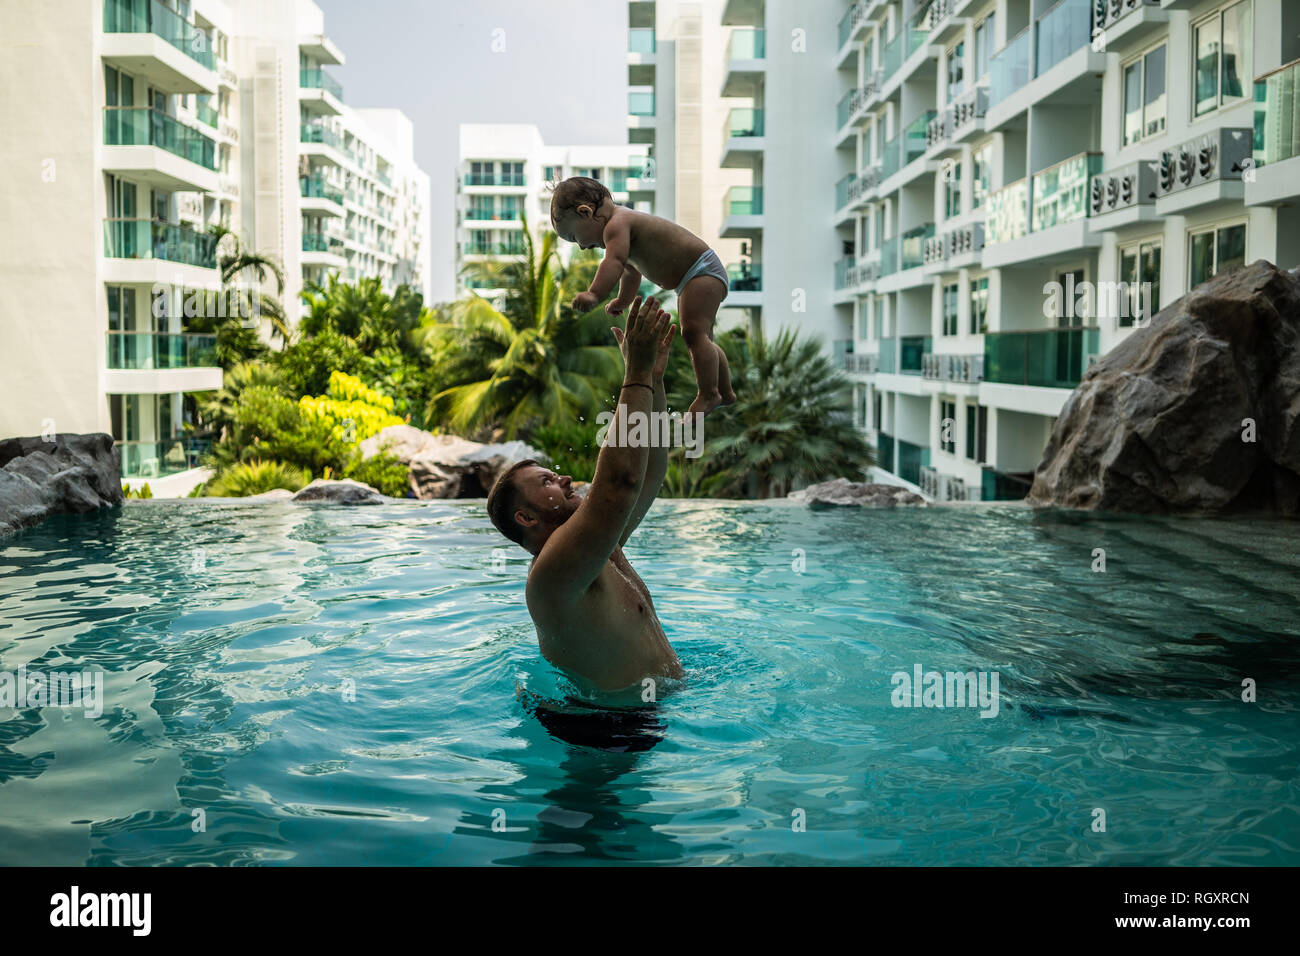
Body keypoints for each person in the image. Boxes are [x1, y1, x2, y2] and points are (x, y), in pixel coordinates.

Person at [487, 295, 685, 695]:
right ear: (526, 518)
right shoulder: (553, 573)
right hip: (602, 735)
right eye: (545, 482)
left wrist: (655, 382)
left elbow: (649, 474)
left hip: (644, 719)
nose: (563, 478)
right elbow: (620, 483)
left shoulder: (600, 549)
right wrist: (635, 375)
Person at [551, 176, 736, 417]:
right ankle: (725, 391)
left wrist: (594, 294)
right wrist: (623, 300)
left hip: (700, 272)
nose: (582, 247)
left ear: (586, 212)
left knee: (693, 333)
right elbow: (631, 270)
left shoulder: (618, 224)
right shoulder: (622, 229)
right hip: (696, 276)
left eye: (575, 238)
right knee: (703, 339)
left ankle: (709, 394)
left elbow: (614, 263)